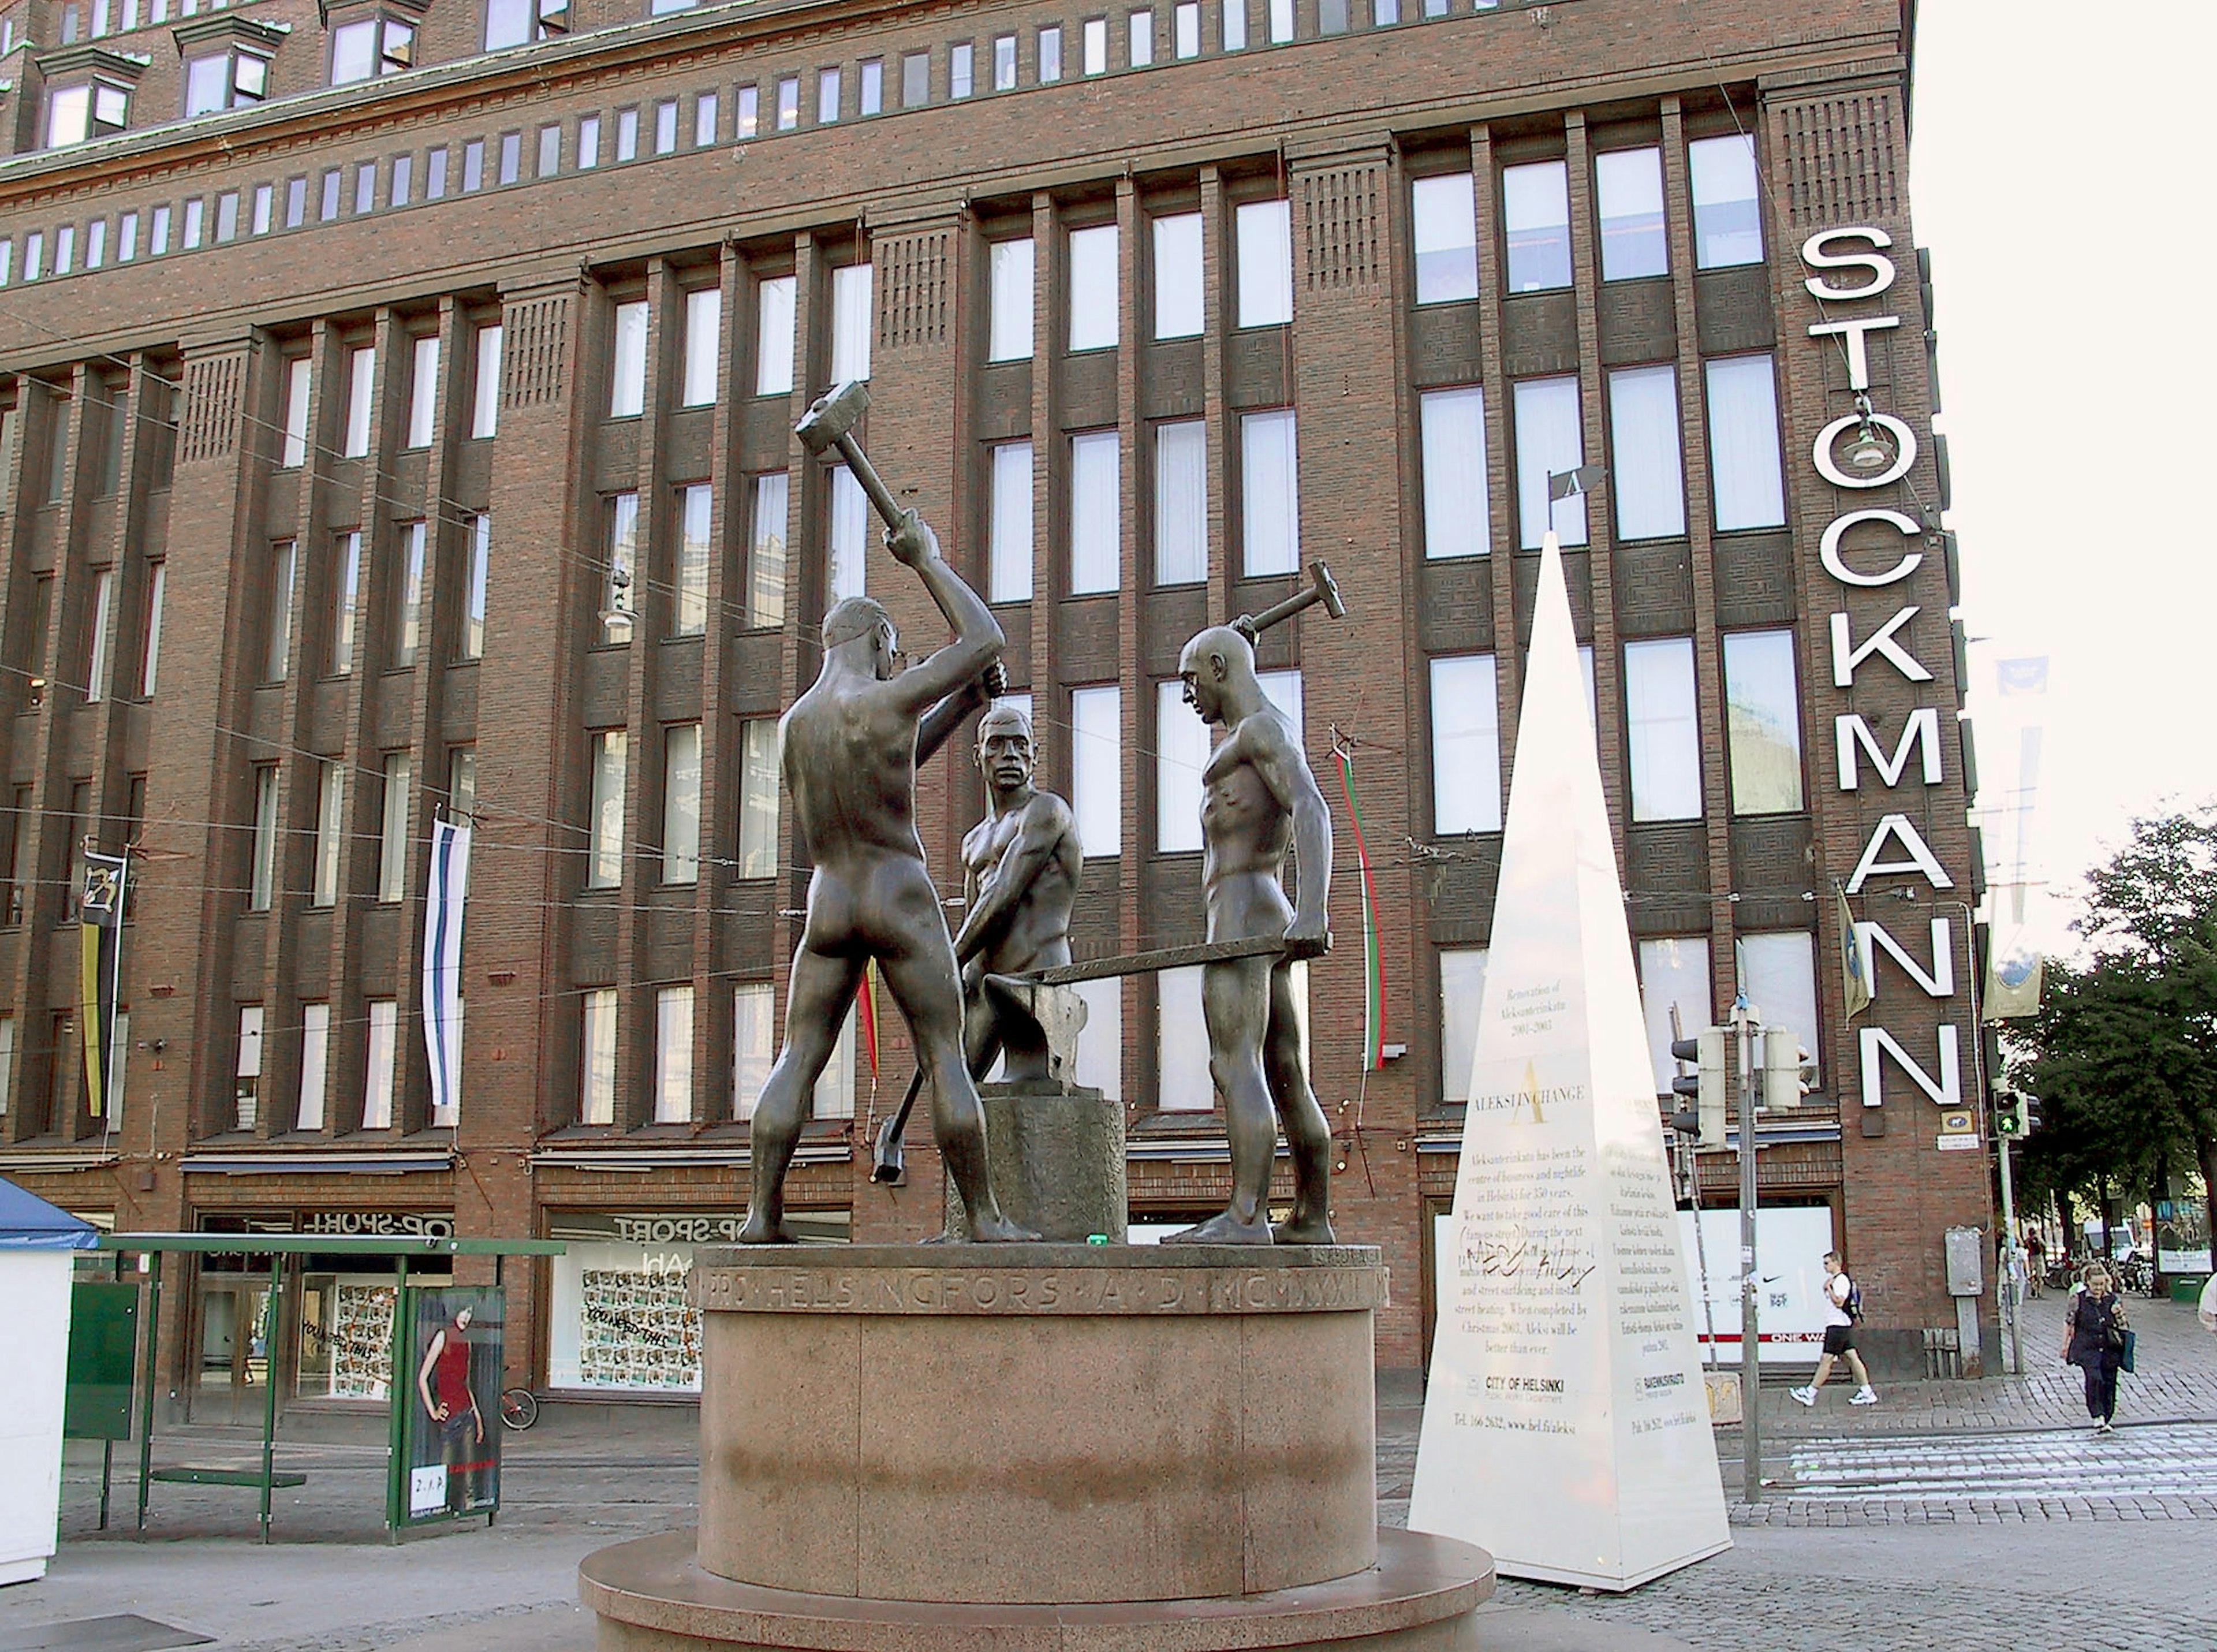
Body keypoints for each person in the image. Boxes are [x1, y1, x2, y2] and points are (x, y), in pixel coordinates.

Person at [740, 510, 1037, 1244]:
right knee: (943, 1054)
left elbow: (889, 763)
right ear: (875, 639)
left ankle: (761, 1215)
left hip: (831, 896)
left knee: (798, 1054)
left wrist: (966, 704)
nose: (898, 664)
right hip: (897, 890)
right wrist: (927, 558)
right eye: (894, 651)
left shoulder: (793, 726)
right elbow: (984, 639)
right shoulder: (884, 697)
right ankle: (986, 1218)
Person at [1163, 625, 1333, 1246]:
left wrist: (1315, 907)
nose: (1188, 697)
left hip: (1243, 914)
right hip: (1261, 912)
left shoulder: (1261, 730)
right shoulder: (1258, 729)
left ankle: (1245, 1216)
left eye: (1191, 680)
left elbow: (1312, 808)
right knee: (1284, 1067)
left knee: (1235, 1062)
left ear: (1217, 665)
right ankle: (1312, 1216)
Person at [953, 702, 1083, 1079]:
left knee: (1036, 1091)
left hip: (1038, 977)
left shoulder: (1047, 812)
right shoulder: (973, 841)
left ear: (1035, 754)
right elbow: (974, 918)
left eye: (1019, 744)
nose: (1010, 754)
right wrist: (962, 977)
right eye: (996, 744)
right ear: (979, 757)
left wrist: (948, 960)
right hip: (988, 984)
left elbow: (1002, 895)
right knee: (959, 1089)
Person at [415, 1302, 484, 1512]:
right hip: (450, 1414)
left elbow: (467, 1383)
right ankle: (440, 1504)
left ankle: (468, 1501)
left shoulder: (467, 1341)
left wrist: (478, 1418)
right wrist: (433, 1410)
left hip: (465, 1411)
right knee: (446, 1464)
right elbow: (423, 1378)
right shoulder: (443, 1336)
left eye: (470, 1312)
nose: (467, 1317)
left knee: (470, 1466)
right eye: (464, 1311)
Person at [1790, 1251, 1878, 1408]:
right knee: (1852, 1358)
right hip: (1840, 1326)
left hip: (1837, 1326)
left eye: (1827, 1263)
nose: (1825, 1266)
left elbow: (1839, 1302)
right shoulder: (1836, 1280)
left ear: (1836, 1263)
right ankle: (1867, 1391)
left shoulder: (1841, 1280)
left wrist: (1829, 1289)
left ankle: (1810, 1393)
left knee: (1827, 1360)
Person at [2062, 1261, 2129, 1433]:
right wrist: (2065, 1345)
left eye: (2102, 1284)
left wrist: (2118, 1315)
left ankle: (2107, 1416)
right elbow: (2069, 1322)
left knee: (2110, 1382)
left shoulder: (2112, 1299)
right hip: (2087, 1346)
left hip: (2109, 1347)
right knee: (2094, 1378)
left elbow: (2123, 1325)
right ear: (2087, 1283)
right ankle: (2097, 1414)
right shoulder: (2078, 1300)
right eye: (2095, 1285)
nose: (2099, 1288)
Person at [2023, 1229, 2045, 1298]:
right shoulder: (2039, 1239)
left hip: (2032, 1258)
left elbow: (2025, 1246)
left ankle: (2033, 1288)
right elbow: (2045, 1245)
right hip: (2039, 1257)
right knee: (2039, 1276)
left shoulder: (2028, 1240)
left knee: (2032, 1274)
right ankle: (2040, 1292)